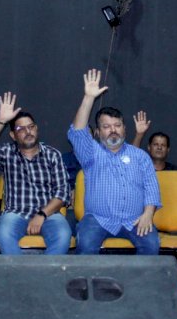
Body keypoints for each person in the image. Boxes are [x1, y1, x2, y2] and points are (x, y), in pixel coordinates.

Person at [67, 69, 161, 255]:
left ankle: (139, 285)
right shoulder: (90, 153)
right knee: (85, 245)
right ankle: (88, 284)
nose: (113, 130)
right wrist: (88, 98)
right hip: (98, 219)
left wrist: (148, 213)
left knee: (152, 245)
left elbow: (151, 186)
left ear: (124, 129)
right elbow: (77, 132)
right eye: (106, 126)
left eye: (117, 125)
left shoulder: (140, 156)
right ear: (98, 132)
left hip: (134, 220)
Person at [0, 92, 72, 255]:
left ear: (36, 128)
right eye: (21, 129)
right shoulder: (7, 153)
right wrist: (0, 121)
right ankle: (21, 277)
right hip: (15, 214)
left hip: (48, 214)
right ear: (13, 135)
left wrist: (41, 214)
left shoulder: (52, 155)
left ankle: (47, 276)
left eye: (31, 127)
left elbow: (63, 193)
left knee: (63, 235)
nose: (28, 131)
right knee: (3, 233)